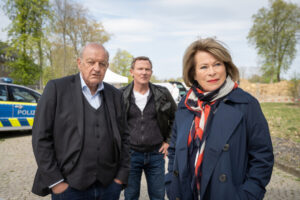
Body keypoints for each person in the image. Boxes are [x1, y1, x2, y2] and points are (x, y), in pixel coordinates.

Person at [165, 38, 274, 200]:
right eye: (204, 67)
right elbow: (174, 149)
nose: (212, 72)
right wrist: (171, 182)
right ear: (193, 73)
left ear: (226, 67)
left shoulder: (246, 104)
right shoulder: (185, 105)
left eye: (217, 64)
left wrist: (249, 194)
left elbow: (262, 156)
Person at [31, 43, 130, 200]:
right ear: (79, 63)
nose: (97, 68)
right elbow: (40, 138)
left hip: (108, 187)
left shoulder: (115, 95)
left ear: (107, 66)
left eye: (102, 64)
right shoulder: (57, 89)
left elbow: (125, 138)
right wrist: (56, 183)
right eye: (91, 62)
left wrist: (120, 178)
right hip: (69, 188)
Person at [121, 56, 177, 200]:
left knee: (158, 195)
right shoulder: (121, 95)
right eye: (140, 69)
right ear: (131, 72)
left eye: (147, 69)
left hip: (156, 154)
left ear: (151, 72)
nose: (144, 72)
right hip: (131, 154)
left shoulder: (162, 93)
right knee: (131, 194)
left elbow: (176, 117)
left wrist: (169, 141)